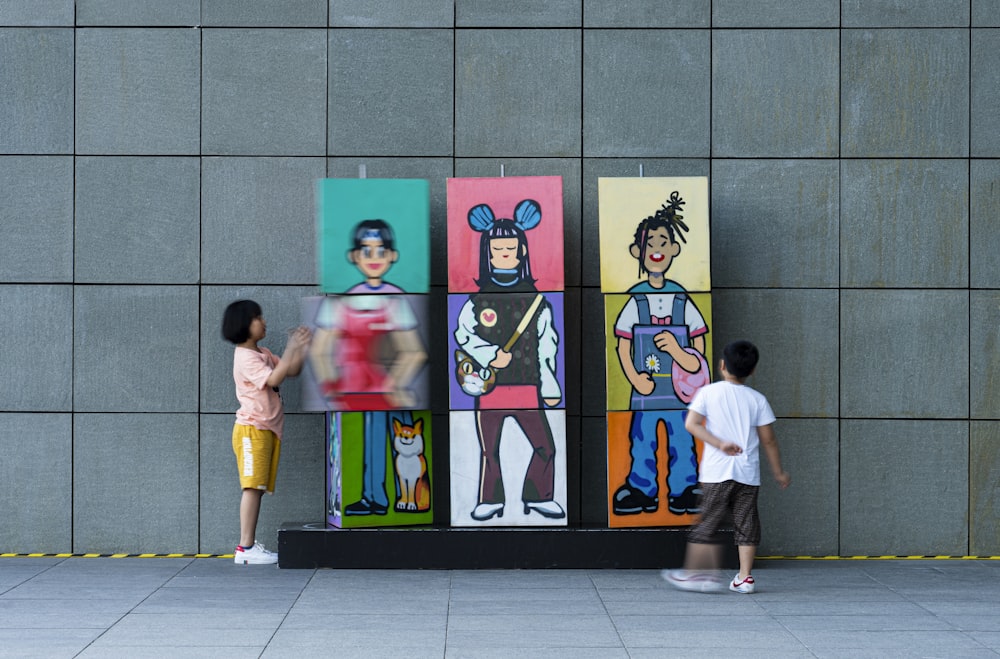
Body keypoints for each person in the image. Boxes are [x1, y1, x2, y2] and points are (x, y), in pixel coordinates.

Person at [454, 199, 564, 521]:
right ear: (487, 253)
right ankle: (491, 500)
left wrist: (549, 384)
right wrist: (489, 355)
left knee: (545, 446)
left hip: (528, 385)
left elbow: (548, 345)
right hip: (490, 388)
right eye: (497, 249)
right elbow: (462, 335)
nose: (504, 254)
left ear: (522, 251)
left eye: (510, 248)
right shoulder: (476, 300)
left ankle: (539, 495)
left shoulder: (538, 301)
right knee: (490, 451)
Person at [309, 219, 426, 515]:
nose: (374, 259)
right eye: (366, 251)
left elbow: (414, 352)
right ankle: (373, 497)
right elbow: (321, 350)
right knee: (367, 441)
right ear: (354, 256)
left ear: (392, 256)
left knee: (406, 445)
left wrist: (395, 383)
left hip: (386, 389)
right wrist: (331, 386)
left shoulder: (395, 300)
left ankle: (407, 498)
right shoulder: (342, 301)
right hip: (357, 390)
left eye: (380, 251)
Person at [663, 339, 791, 593]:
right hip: (747, 474)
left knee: (708, 521)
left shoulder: (709, 392)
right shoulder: (758, 400)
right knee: (747, 523)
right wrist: (778, 472)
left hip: (716, 472)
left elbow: (692, 424)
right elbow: (769, 440)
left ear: (722, 365)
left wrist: (719, 443)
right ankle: (744, 577)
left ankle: (698, 574)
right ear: (752, 370)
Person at [611, 192, 710, 517]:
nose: (656, 250)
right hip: (647, 390)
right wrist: (635, 378)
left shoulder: (683, 298)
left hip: (682, 392)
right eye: (649, 243)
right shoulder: (635, 300)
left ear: (674, 249)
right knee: (642, 438)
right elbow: (623, 344)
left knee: (683, 437)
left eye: (662, 242)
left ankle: (684, 489)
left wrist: (681, 357)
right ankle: (642, 488)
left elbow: (699, 347)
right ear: (637, 251)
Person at [222, 299, 311, 565]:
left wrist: (301, 349)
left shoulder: (263, 352)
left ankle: (248, 546)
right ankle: (245, 548)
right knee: (251, 487)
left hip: (265, 430)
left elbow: (291, 370)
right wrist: (292, 346)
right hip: (251, 430)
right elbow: (274, 379)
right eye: (258, 317)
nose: (264, 321)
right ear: (243, 325)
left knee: (257, 487)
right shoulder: (244, 357)